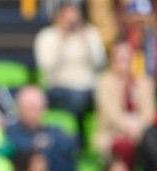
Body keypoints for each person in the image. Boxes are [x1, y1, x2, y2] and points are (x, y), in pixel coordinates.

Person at [34, 1, 105, 141]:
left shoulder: (90, 33)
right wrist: (61, 39)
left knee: (105, 95)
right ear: (58, 17)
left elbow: (100, 63)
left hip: (89, 89)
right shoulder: (47, 36)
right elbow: (46, 67)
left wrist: (87, 42)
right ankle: (78, 140)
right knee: (76, 99)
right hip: (60, 89)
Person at [93, 40, 156, 165]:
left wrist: (138, 127)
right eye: (120, 59)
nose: (124, 63)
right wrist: (128, 127)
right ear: (113, 60)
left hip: (141, 133)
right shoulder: (104, 82)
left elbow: (149, 112)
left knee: (153, 144)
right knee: (120, 146)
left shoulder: (145, 82)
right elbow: (110, 113)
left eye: (127, 58)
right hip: (112, 133)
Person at [5, 86, 79, 171]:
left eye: (36, 108)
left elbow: (71, 145)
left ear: (44, 109)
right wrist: (43, 145)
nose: (33, 113)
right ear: (19, 109)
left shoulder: (55, 131)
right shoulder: (10, 132)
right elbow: (17, 150)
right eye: (28, 108)